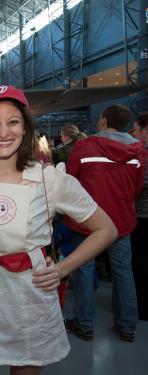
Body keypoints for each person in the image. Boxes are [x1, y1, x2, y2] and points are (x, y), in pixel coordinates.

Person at [0, 85, 116, 375]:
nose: (4, 132)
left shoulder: (49, 179)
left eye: (13, 121)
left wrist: (64, 268)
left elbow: (106, 229)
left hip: (30, 299)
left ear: (25, 127)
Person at [64, 104, 146, 342]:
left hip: (87, 222)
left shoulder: (85, 146)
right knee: (123, 272)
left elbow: (70, 182)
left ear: (103, 121)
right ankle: (127, 326)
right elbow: (138, 187)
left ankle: (84, 323)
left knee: (84, 270)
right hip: (121, 221)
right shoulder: (139, 151)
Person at [130, 111, 148, 321]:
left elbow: (139, 186)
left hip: (143, 216)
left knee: (141, 263)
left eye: (136, 129)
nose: (133, 134)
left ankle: (142, 308)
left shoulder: (142, 154)